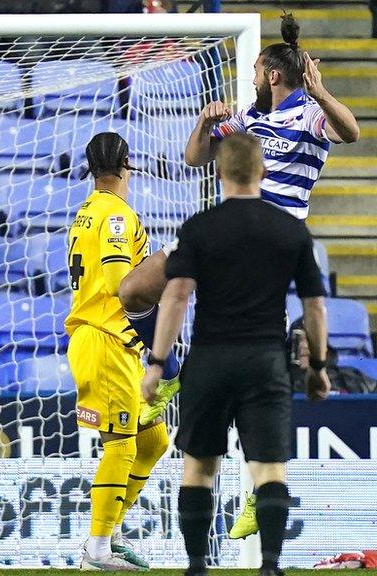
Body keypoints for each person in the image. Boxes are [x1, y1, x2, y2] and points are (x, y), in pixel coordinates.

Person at [117, 11, 360, 427]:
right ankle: (169, 372)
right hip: (224, 232)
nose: (250, 79)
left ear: (273, 77)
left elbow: (351, 132)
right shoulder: (247, 116)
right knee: (134, 290)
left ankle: (254, 480)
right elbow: (194, 158)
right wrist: (205, 123)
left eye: (254, 72)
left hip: (270, 244)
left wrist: (321, 94)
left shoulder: (308, 115)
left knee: (242, 359)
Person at [141, 134, 330, 576]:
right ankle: (269, 566)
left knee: (200, 467)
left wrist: (156, 363)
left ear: (220, 172)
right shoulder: (290, 230)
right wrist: (318, 368)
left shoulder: (199, 228)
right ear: (262, 172)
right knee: (268, 470)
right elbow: (315, 306)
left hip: (208, 360)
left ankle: (196, 566)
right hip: (265, 360)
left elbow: (177, 295)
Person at [63, 133, 170, 571]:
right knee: (121, 445)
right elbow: (118, 285)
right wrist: (166, 269)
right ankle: (97, 549)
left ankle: (109, 532)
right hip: (105, 338)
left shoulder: (86, 210)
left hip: (109, 342)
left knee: (153, 442)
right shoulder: (116, 216)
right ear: (128, 163)